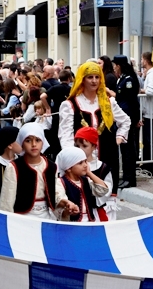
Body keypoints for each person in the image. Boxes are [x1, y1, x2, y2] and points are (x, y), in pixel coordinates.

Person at [57, 61, 131, 193]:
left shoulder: (107, 102)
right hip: (82, 161)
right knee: (84, 198)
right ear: (82, 79)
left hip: (107, 158)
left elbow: (125, 121)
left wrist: (118, 139)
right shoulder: (70, 105)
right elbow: (65, 135)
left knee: (107, 196)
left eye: (97, 77)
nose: (94, 81)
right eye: (90, 77)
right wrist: (73, 159)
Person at [0, 122, 74, 219]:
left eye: (38, 140)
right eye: (28, 140)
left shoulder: (51, 167)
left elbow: (55, 192)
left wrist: (65, 203)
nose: (34, 144)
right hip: (22, 218)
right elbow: (7, 201)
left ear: (43, 142)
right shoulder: (14, 167)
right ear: (22, 143)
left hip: (46, 216)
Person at [55, 147, 110, 222]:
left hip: (89, 222)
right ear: (69, 168)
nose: (85, 165)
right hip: (72, 224)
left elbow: (103, 190)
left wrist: (89, 173)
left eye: (85, 161)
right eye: (80, 163)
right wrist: (69, 208)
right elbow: (59, 200)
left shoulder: (85, 180)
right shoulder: (61, 182)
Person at [74, 126, 117, 221]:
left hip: (95, 213)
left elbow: (106, 191)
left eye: (84, 146)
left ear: (94, 146)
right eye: (77, 146)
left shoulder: (103, 168)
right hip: (76, 211)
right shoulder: (71, 165)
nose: (80, 149)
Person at [113, 55, 141, 188]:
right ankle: (126, 177)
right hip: (122, 119)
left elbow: (133, 102)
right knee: (125, 150)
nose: (114, 68)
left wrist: (135, 119)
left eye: (115, 66)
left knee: (129, 150)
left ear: (119, 66)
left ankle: (130, 179)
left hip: (128, 119)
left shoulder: (129, 80)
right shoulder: (123, 78)